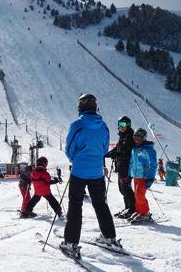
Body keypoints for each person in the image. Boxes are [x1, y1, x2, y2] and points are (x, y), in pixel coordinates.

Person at [61, 94, 120, 258]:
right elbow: (104, 149)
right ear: (95, 107)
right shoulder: (104, 126)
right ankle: (109, 237)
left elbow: (70, 149)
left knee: (75, 205)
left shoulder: (77, 125)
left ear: (80, 107)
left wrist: (76, 159)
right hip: (96, 173)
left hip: (79, 171)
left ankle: (71, 242)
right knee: (101, 204)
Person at [105, 115, 136, 219]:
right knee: (122, 188)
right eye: (119, 125)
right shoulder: (123, 137)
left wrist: (117, 154)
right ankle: (127, 207)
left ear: (128, 125)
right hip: (121, 165)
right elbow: (117, 149)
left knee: (125, 187)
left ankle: (132, 208)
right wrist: (107, 154)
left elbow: (129, 152)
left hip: (127, 166)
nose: (121, 127)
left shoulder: (130, 137)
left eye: (123, 124)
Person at [128, 128, 157, 223]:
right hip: (136, 175)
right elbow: (131, 163)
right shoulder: (134, 149)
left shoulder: (148, 150)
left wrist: (150, 177)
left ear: (143, 138)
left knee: (140, 195)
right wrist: (129, 174)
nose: (136, 139)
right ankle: (139, 211)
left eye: (139, 137)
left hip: (144, 176)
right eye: (135, 137)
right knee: (136, 195)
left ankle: (145, 213)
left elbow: (153, 164)